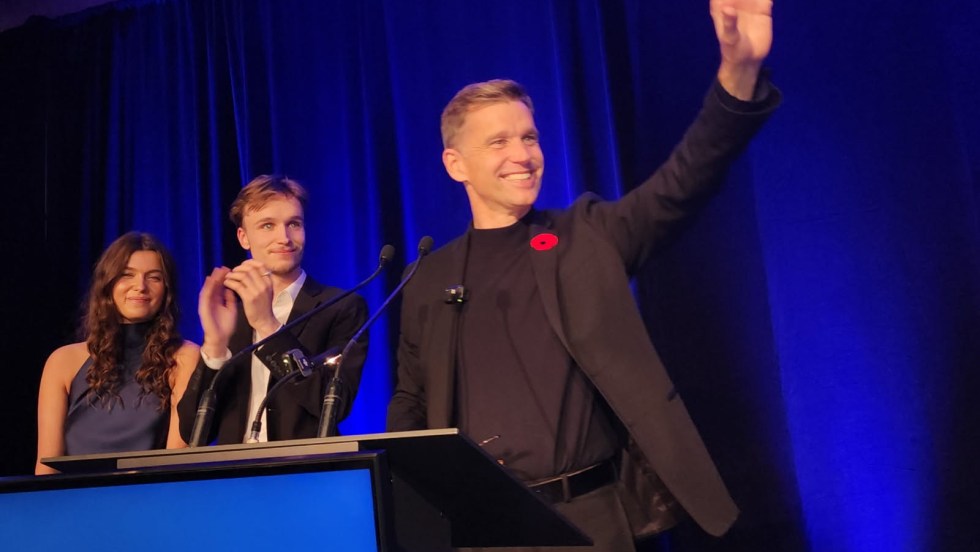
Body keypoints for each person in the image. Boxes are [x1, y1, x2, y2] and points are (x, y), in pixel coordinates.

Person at [386, 1, 778, 549]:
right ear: (456, 165)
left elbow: (684, 181)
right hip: (483, 524)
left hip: (593, 520)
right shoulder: (430, 277)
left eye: (529, 136)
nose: (523, 155)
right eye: (498, 142)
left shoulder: (585, 236)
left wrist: (738, 73)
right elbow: (412, 403)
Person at [177, 174, 368, 445]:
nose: (284, 238)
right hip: (235, 475)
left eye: (294, 224)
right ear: (243, 237)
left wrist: (268, 325)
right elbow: (193, 431)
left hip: (303, 473)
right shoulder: (232, 313)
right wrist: (215, 346)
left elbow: (332, 405)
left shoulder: (340, 307)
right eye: (267, 225)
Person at [36, 232, 199, 475]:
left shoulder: (184, 356)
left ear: (167, 290)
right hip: (73, 503)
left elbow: (177, 462)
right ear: (108, 283)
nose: (140, 286)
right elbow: (46, 467)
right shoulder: (63, 361)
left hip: (149, 501)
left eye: (154, 277)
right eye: (127, 275)